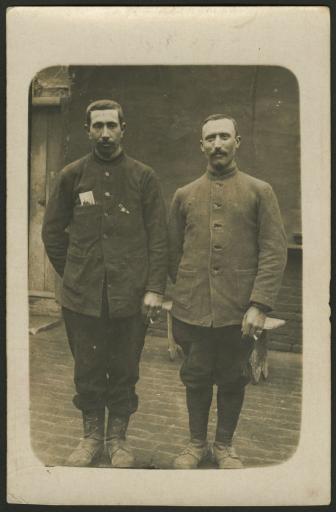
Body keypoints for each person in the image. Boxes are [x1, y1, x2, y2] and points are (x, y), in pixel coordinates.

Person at [42, 99, 168, 468]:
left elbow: (158, 237)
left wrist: (154, 288)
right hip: (82, 299)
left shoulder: (143, 177)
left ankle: (118, 441)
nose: (105, 134)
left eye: (112, 126)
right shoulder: (72, 176)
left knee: (125, 369)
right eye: (98, 127)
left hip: (130, 297)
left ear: (123, 129)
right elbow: (52, 232)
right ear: (88, 131)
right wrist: (76, 272)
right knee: (88, 368)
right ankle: (91, 437)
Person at [168, 114, 287, 469]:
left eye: (224, 136)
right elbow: (174, 251)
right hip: (194, 308)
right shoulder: (184, 195)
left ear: (238, 142)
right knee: (196, 375)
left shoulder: (259, 191)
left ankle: (223, 446)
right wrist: (188, 290)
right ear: (201, 145)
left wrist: (259, 304)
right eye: (210, 138)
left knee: (234, 377)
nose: (217, 144)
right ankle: (195, 445)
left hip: (239, 310)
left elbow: (273, 250)